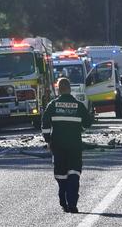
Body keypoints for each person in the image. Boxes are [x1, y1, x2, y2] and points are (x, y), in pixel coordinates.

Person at [40, 77, 94, 213]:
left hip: (58, 146)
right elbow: (87, 123)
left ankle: (63, 202)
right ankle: (72, 204)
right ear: (70, 89)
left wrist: (47, 140)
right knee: (74, 174)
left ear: (58, 89)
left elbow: (45, 125)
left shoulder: (52, 105)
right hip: (75, 145)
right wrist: (79, 128)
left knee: (61, 175)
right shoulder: (79, 105)